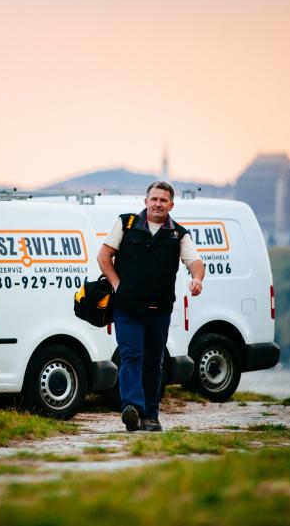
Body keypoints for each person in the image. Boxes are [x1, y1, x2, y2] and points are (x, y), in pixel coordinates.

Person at [97, 181, 204, 432]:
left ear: (171, 205)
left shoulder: (178, 234)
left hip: (160, 310)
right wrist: (117, 284)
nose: (157, 204)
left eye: (163, 200)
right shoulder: (126, 223)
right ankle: (131, 407)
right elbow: (104, 256)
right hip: (127, 308)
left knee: (155, 363)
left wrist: (197, 279)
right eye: (154, 199)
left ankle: (150, 415)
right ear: (145, 202)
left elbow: (195, 262)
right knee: (131, 355)